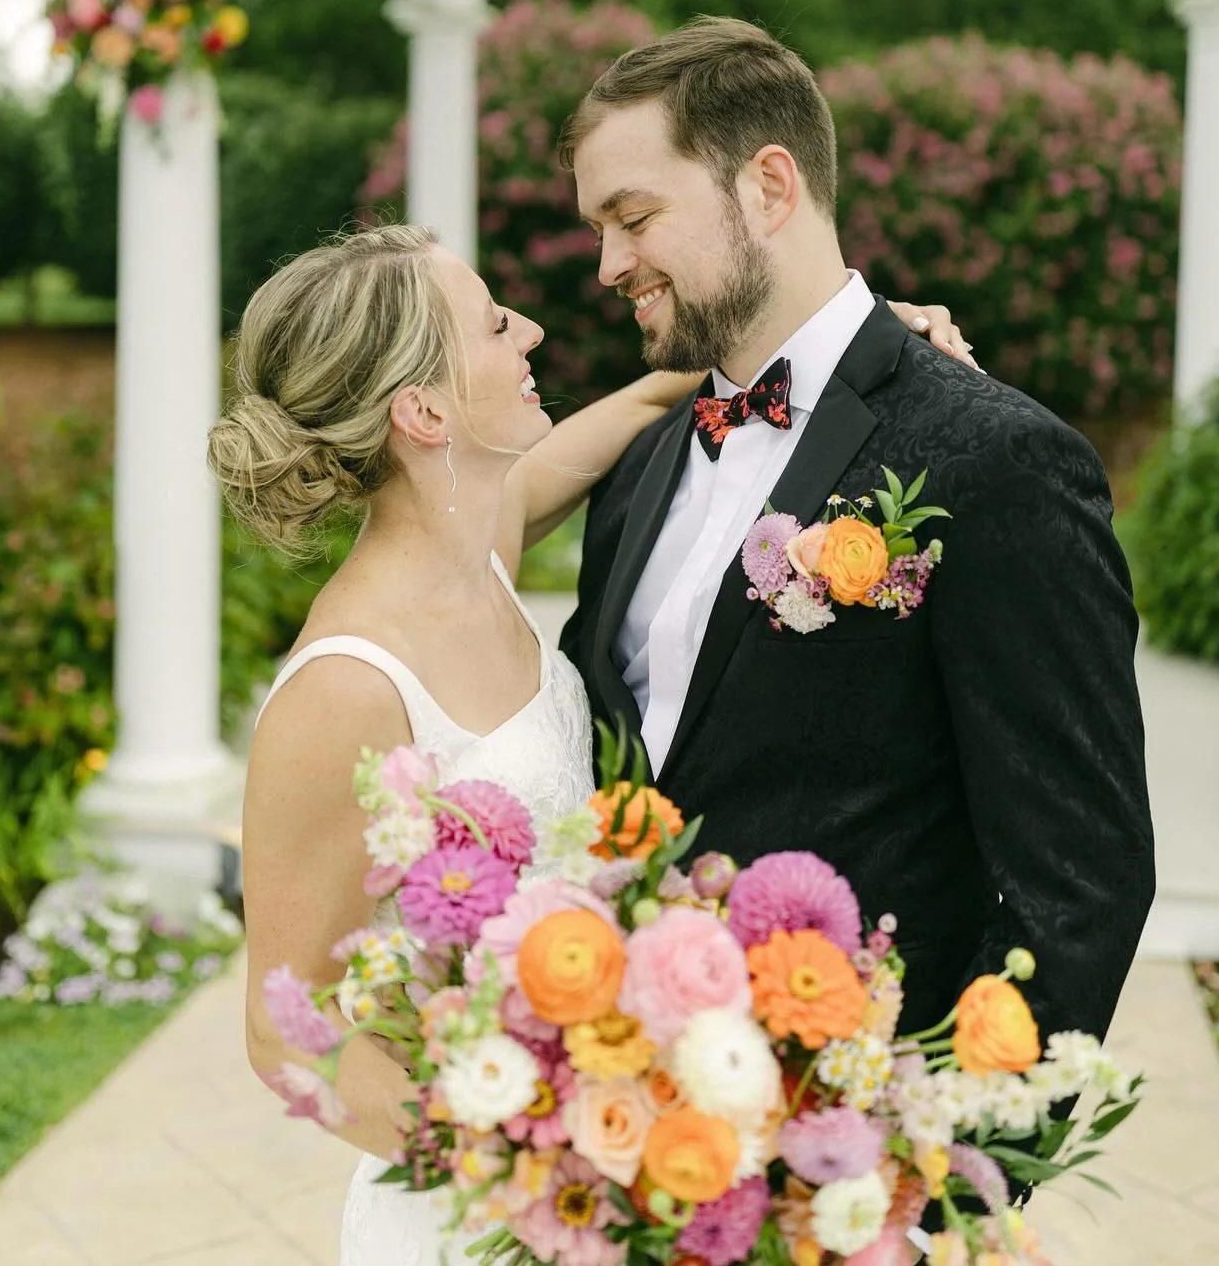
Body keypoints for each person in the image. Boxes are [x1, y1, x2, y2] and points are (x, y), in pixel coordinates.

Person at [207, 223, 971, 1266]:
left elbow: (676, 394)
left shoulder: (484, 547)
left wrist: (876, 348)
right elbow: (282, 1035)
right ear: (422, 411)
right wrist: (531, 1169)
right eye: (489, 323)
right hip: (484, 1219)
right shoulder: (343, 689)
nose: (527, 329)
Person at [558, 15, 1155, 1055]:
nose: (608, 265)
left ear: (769, 188)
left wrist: (957, 1168)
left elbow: (1081, 881)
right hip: (646, 1129)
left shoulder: (996, 460)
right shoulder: (640, 468)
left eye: (634, 217)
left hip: (868, 1148)